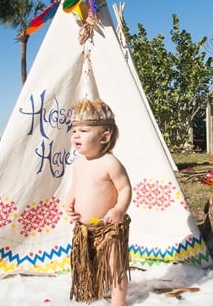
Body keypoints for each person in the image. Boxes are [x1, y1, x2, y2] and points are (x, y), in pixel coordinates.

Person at [65, 98, 132, 306]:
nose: (76, 135)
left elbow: (125, 188)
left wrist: (119, 209)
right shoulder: (78, 163)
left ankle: (118, 301)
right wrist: (70, 203)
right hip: (85, 229)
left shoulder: (110, 163)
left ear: (104, 137)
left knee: (114, 266)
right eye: (74, 130)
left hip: (108, 228)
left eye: (84, 131)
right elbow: (75, 187)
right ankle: (90, 291)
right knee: (88, 264)